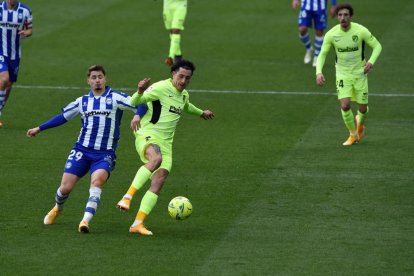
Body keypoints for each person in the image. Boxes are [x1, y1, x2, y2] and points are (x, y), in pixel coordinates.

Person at [26, 65, 146, 233]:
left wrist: (137, 114)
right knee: (65, 188)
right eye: (94, 77)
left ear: (105, 79)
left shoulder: (117, 98)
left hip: (104, 154)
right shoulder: (82, 101)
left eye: (100, 77)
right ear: (88, 81)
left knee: (96, 182)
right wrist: (40, 128)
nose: (97, 80)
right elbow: (63, 117)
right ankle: (57, 208)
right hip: (81, 151)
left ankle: (85, 221)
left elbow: (141, 103)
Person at [116, 59, 214, 236]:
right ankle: (127, 197)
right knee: (156, 158)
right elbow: (135, 100)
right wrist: (140, 90)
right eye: (181, 76)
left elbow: (186, 106)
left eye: (187, 78)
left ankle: (137, 224)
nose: (183, 81)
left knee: (159, 180)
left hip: (166, 143)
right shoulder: (160, 87)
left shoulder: (184, 94)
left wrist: (201, 113)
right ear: (173, 74)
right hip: (148, 133)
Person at [316, 3, 382, 146]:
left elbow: (377, 46)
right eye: (340, 15)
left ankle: (360, 124)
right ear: (337, 17)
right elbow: (322, 54)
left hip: (360, 73)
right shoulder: (332, 34)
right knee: (345, 106)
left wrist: (370, 62)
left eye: (346, 15)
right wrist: (319, 72)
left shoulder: (360, 31)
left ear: (350, 16)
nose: (343, 18)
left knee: (363, 108)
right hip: (342, 74)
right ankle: (353, 135)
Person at [0, 0, 32, 127]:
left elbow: (30, 30)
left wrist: (26, 33)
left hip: (15, 55)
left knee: (9, 84)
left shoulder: (25, 11)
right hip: (1, 51)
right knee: (3, 79)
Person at [292, 0, 336, 67]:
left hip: (320, 7)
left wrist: (333, 5)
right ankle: (309, 49)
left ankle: (316, 56)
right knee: (302, 29)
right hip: (306, 6)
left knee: (319, 31)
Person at [163, 0, 187, 66]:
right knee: (171, 31)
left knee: (175, 31)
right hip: (167, 6)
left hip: (180, 6)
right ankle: (178, 56)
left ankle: (171, 57)